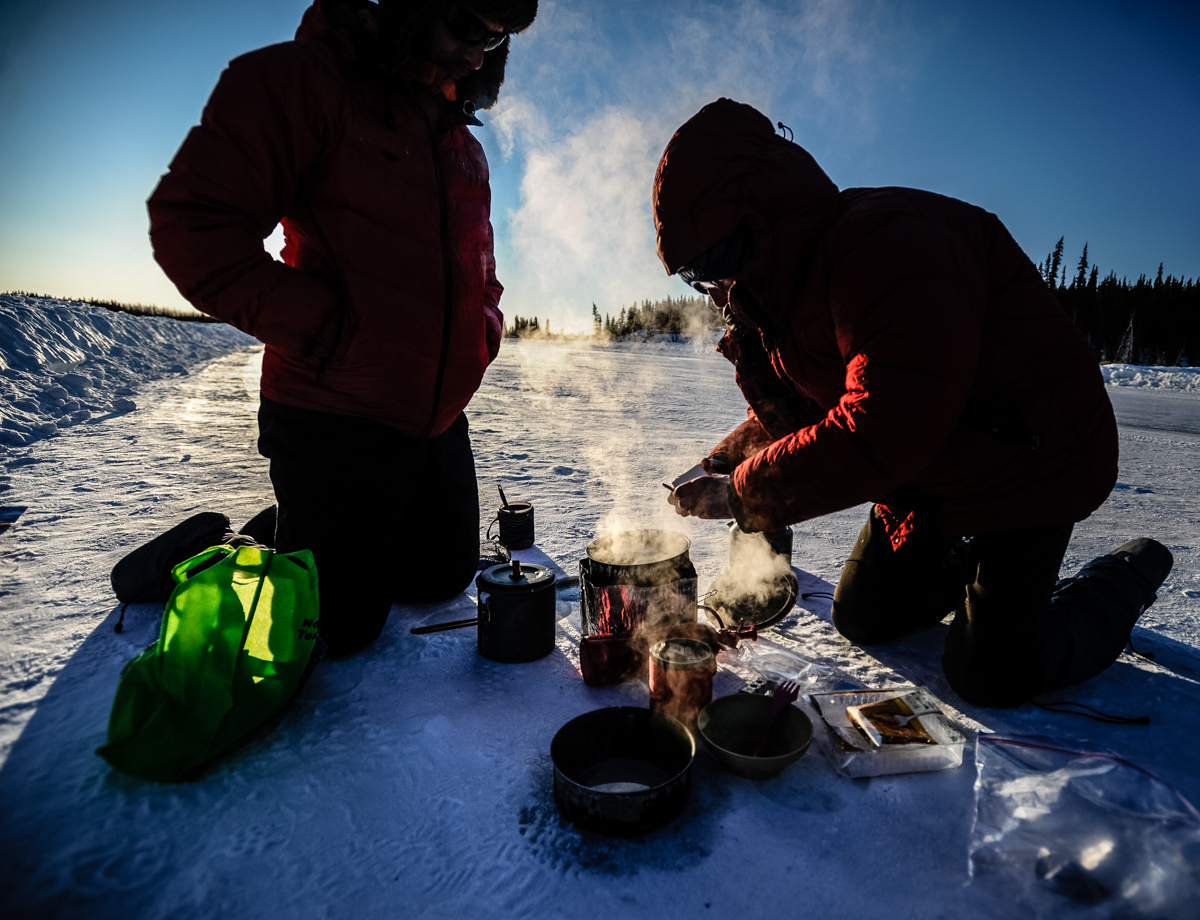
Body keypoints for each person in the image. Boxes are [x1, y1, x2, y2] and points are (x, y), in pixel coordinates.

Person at [654, 98, 1173, 707]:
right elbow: (807, 406)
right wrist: (723, 462)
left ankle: (1125, 572)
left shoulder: (887, 243)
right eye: (696, 275)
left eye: (714, 261)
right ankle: (977, 566)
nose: (714, 286)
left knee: (990, 673)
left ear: (761, 213)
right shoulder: (782, 291)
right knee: (864, 616)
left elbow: (884, 422)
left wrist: (743, 494)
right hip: (934, 471)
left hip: (1030, 460)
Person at [148, 0, 538, 656]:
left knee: (440, 578)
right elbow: (193, 225)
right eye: (468, 27)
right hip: (333, 413)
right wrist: (328, 330)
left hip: (433, 418)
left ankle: (312, 533)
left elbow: (483, 274)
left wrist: (483, 332)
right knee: (339, 629)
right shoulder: (307, 82)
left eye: (495, 41)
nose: (478, 56)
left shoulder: (463, 146)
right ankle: (232, 545)